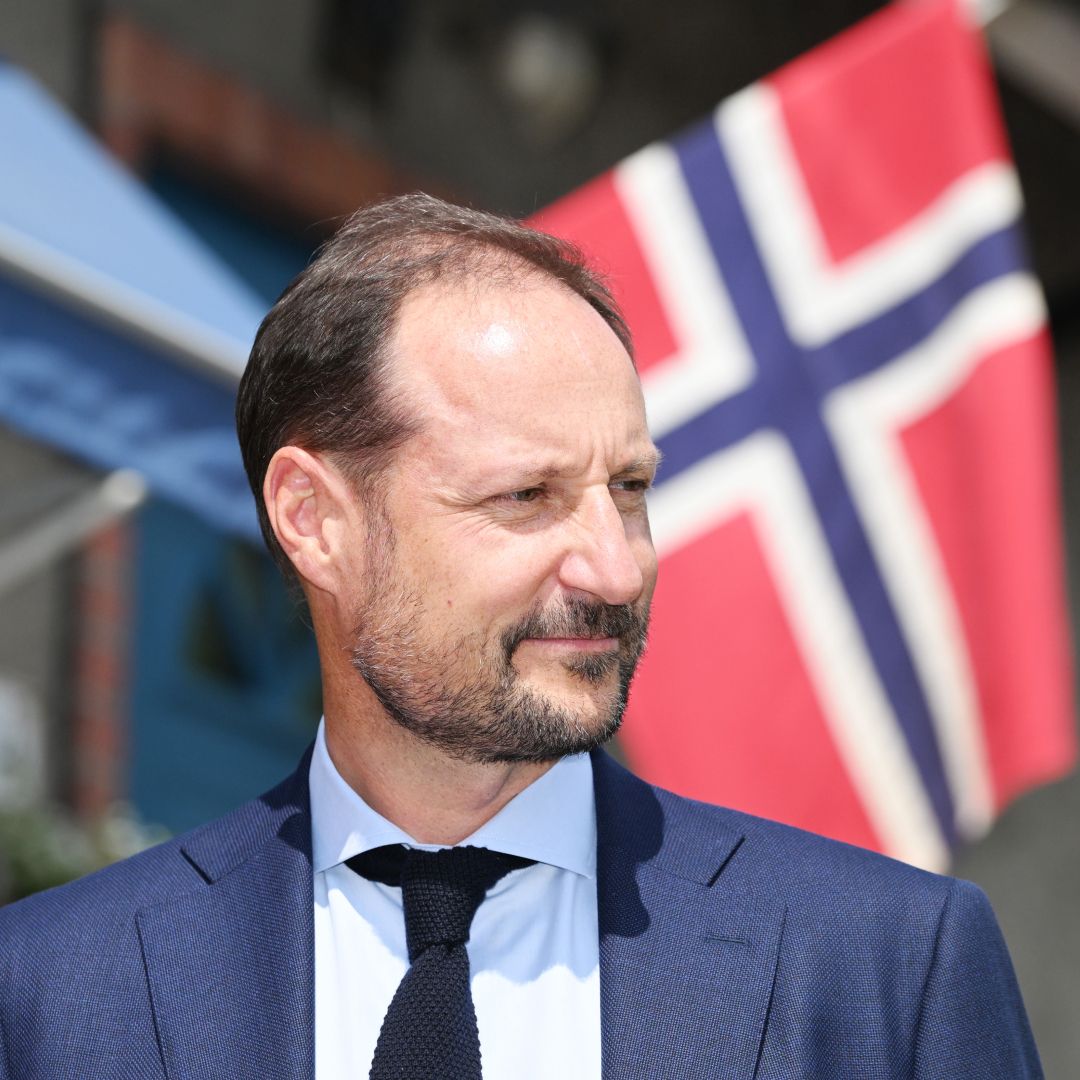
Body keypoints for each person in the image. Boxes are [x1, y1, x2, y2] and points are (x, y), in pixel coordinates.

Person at [0, 194, 1042, 1079]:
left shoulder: (887, 975)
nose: (616, 568)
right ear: (316, 520)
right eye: (527, 495)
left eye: (628, 488)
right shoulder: (52, 992)